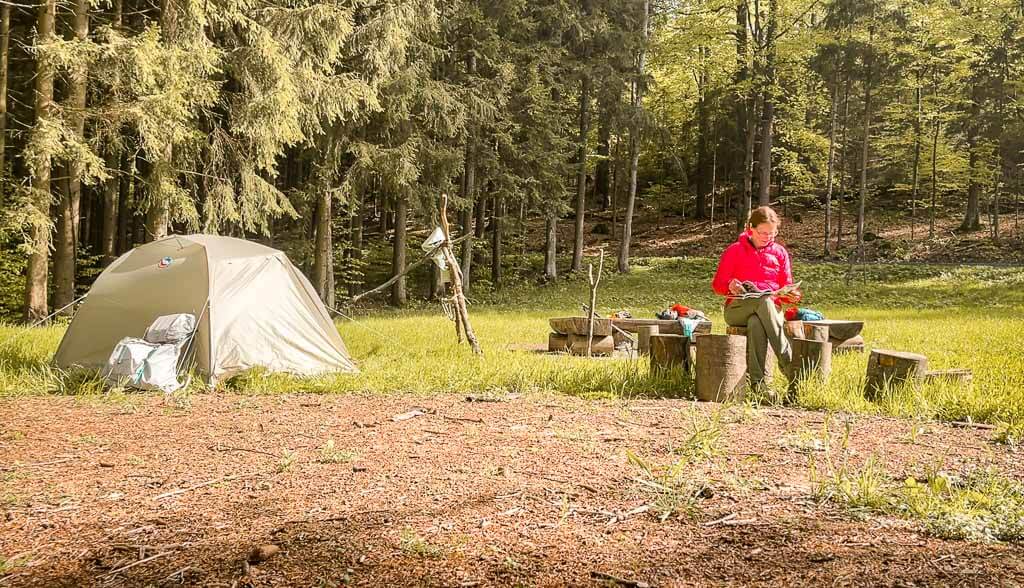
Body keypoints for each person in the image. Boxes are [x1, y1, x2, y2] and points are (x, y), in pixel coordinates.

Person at [711, 206, 794, 390]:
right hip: (737, 309)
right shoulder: (734, 250)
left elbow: (786, 285)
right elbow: (717, 285)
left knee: (757, 322)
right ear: (750, 228)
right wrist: (730, 285)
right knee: (762, 301)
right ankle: (788, 362)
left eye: (772, 233)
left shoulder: (780, 252)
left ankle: (758, 385)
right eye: (762, 233)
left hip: (770, 311)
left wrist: (791, 295)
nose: (767, 237)